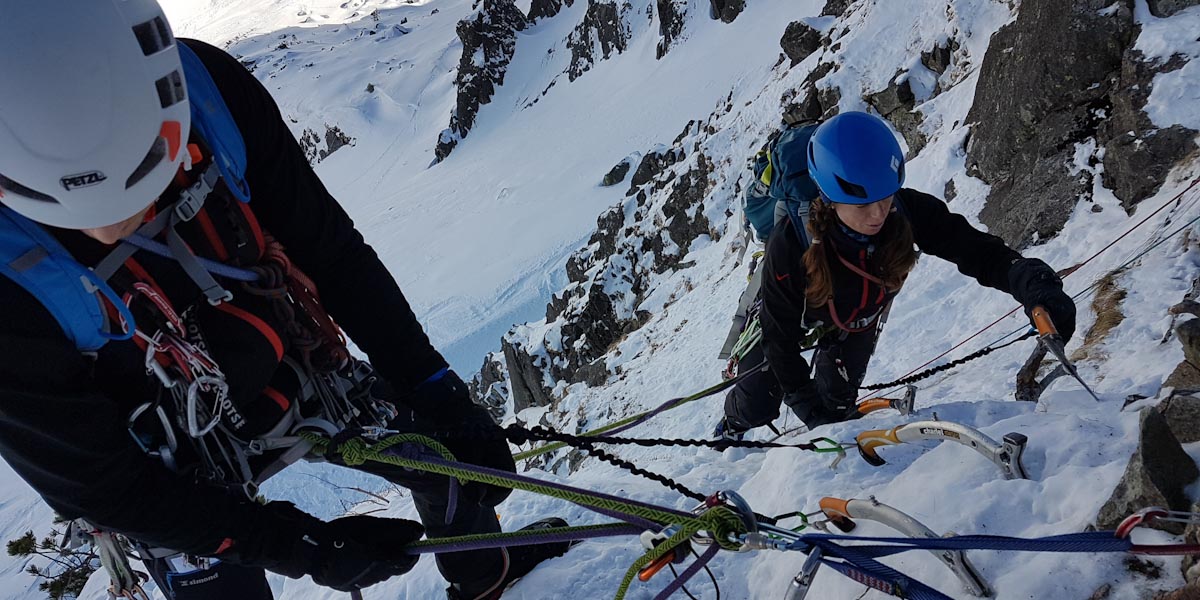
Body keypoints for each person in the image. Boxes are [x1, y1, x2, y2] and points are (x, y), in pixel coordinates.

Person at [0, 2, 566, 598]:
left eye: (148, 178)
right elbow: (104, 488)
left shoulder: (209, 93)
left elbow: (331, 251)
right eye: (98, 216)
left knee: (437, 459)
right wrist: (292, 545)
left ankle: (486, 574)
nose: (128, 220)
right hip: (161, 467)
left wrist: (432, 385)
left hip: (294, 365)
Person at [716, 111, 1077, 438]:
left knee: (839, 406)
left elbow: (978, 252)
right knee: (758, 402)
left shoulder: (905, 211)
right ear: (828, 196)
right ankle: (731, 426)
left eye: (885, 198)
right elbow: (780, 339)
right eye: (862, 204)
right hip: (797, 311)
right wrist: (808, 409)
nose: (878, 214)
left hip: (857, 318)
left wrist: (1034, 282)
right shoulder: (790, 243)